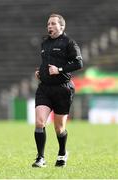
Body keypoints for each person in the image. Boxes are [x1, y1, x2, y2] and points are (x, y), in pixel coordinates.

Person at [32, 13, 83, 168]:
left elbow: (78, 63)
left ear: (62, 26)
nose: (50, 26)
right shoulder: (44, 43)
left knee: (59, 128)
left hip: (63, 89)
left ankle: (62, 153)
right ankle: (40, 158)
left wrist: (59, 69)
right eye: (48, 24)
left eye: (53, 24)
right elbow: (46, 63)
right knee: (40, 122)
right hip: (45, 88)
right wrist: (40, 72)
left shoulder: (69, 43)